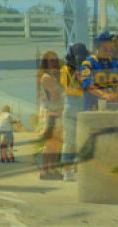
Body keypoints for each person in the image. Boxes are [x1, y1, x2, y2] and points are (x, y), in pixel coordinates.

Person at [60, 43, 88, 181]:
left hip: (74, 107)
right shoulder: (67, 70)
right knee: (72, 141)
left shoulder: (66, 69)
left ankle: (74, 170)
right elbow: (71, 88)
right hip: (75, 106)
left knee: (74, 141)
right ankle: (68, 170)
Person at [37, 51, 65, 180]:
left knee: (57, 143)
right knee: (49, 144)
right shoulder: (46, 77)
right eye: (50, 61)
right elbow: (55, 94)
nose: (53, 63)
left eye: (55, 60)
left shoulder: (55, 77)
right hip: (50, 114)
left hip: (57, 112)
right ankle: (44, 170)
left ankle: (52, 169)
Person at [79, 30, 118, 112]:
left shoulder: (116, 64)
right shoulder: (88, 64)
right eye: (105, 49)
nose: (108, 52)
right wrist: (103, 94)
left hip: (112, 108)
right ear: (97, 47)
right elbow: (87, 85)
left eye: (111, 49)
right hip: (93, 108)